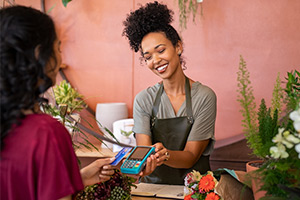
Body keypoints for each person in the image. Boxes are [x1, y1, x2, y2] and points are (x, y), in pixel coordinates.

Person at [0, 5, 115, 200]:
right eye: (57, 48)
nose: (60, 57)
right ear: (39, 55)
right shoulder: (46, 133)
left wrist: (79, 178)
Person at [122, 1, 217, 185]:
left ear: (178, 47)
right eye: (148, 57)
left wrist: (164, 154)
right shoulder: (144, 100)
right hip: (154, 189)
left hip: (195, 190)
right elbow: (144, 150)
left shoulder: (204, 96)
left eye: (161, 50)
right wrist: (144, 163)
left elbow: (191, 156)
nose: (156, 60)